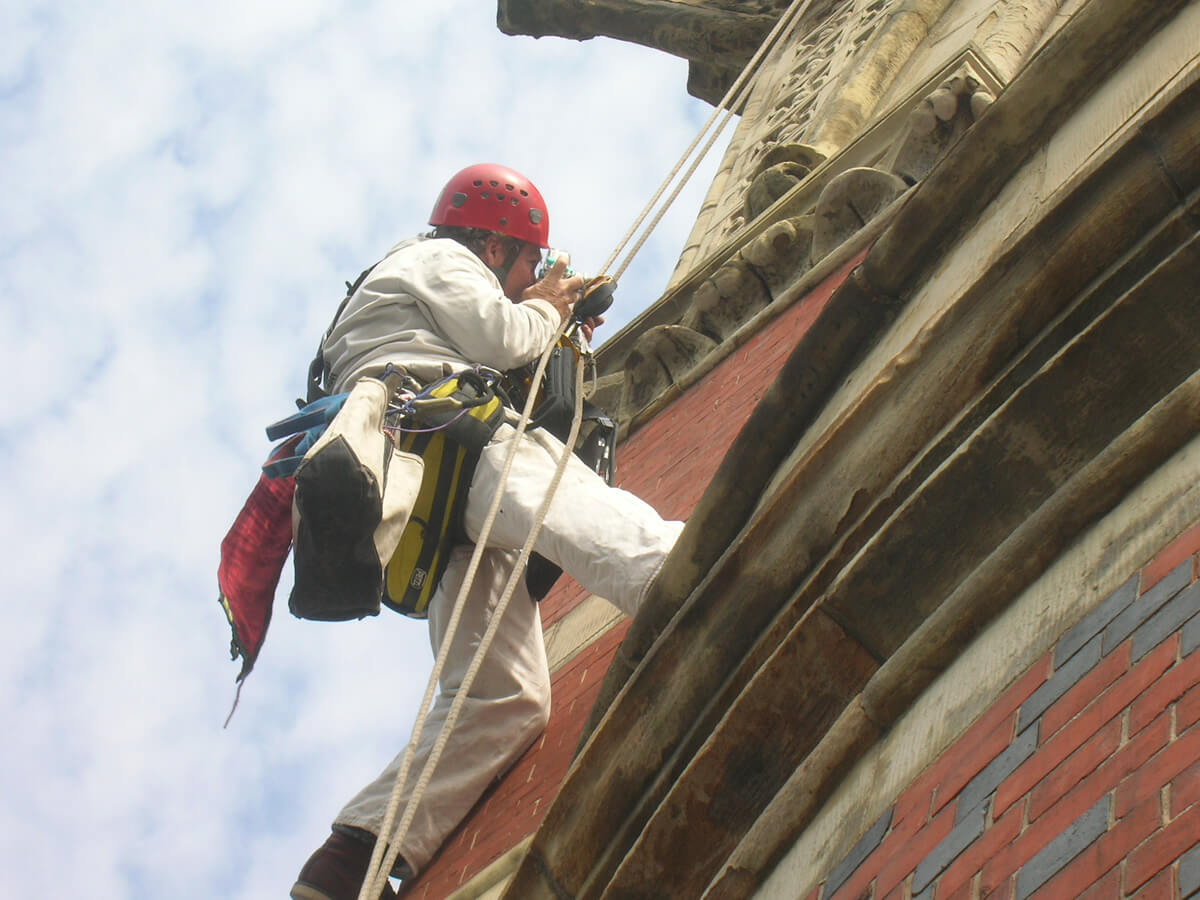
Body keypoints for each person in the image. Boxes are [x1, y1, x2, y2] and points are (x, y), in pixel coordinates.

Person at [290, 163, 684, 900]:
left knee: (502, 699)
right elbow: (502, 337)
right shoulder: (440, 257)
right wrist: (546, 309)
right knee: (596, 518)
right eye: (530, 261)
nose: (530, 276)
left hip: (427, 494)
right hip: (456, 437)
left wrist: (552, 322)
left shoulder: (384, 299)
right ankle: (715, 583)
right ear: (495, 244)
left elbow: (502, 347)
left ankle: (353, 855)